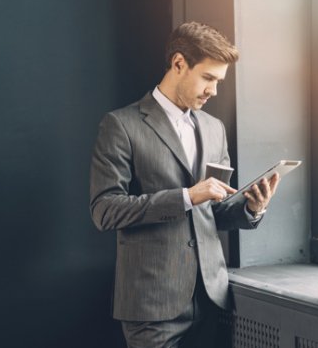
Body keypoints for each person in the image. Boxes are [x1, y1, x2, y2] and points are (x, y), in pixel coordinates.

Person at [89, 21, 280, 347]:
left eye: (219, 81)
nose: (214, 90)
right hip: (151, 306)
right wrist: (186, 196)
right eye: (208, 78)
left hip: (211, 298)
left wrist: (250, 209)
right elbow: (104, 210)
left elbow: (211, 213)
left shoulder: (213, 128)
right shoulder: (121, 125)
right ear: (179, 64)